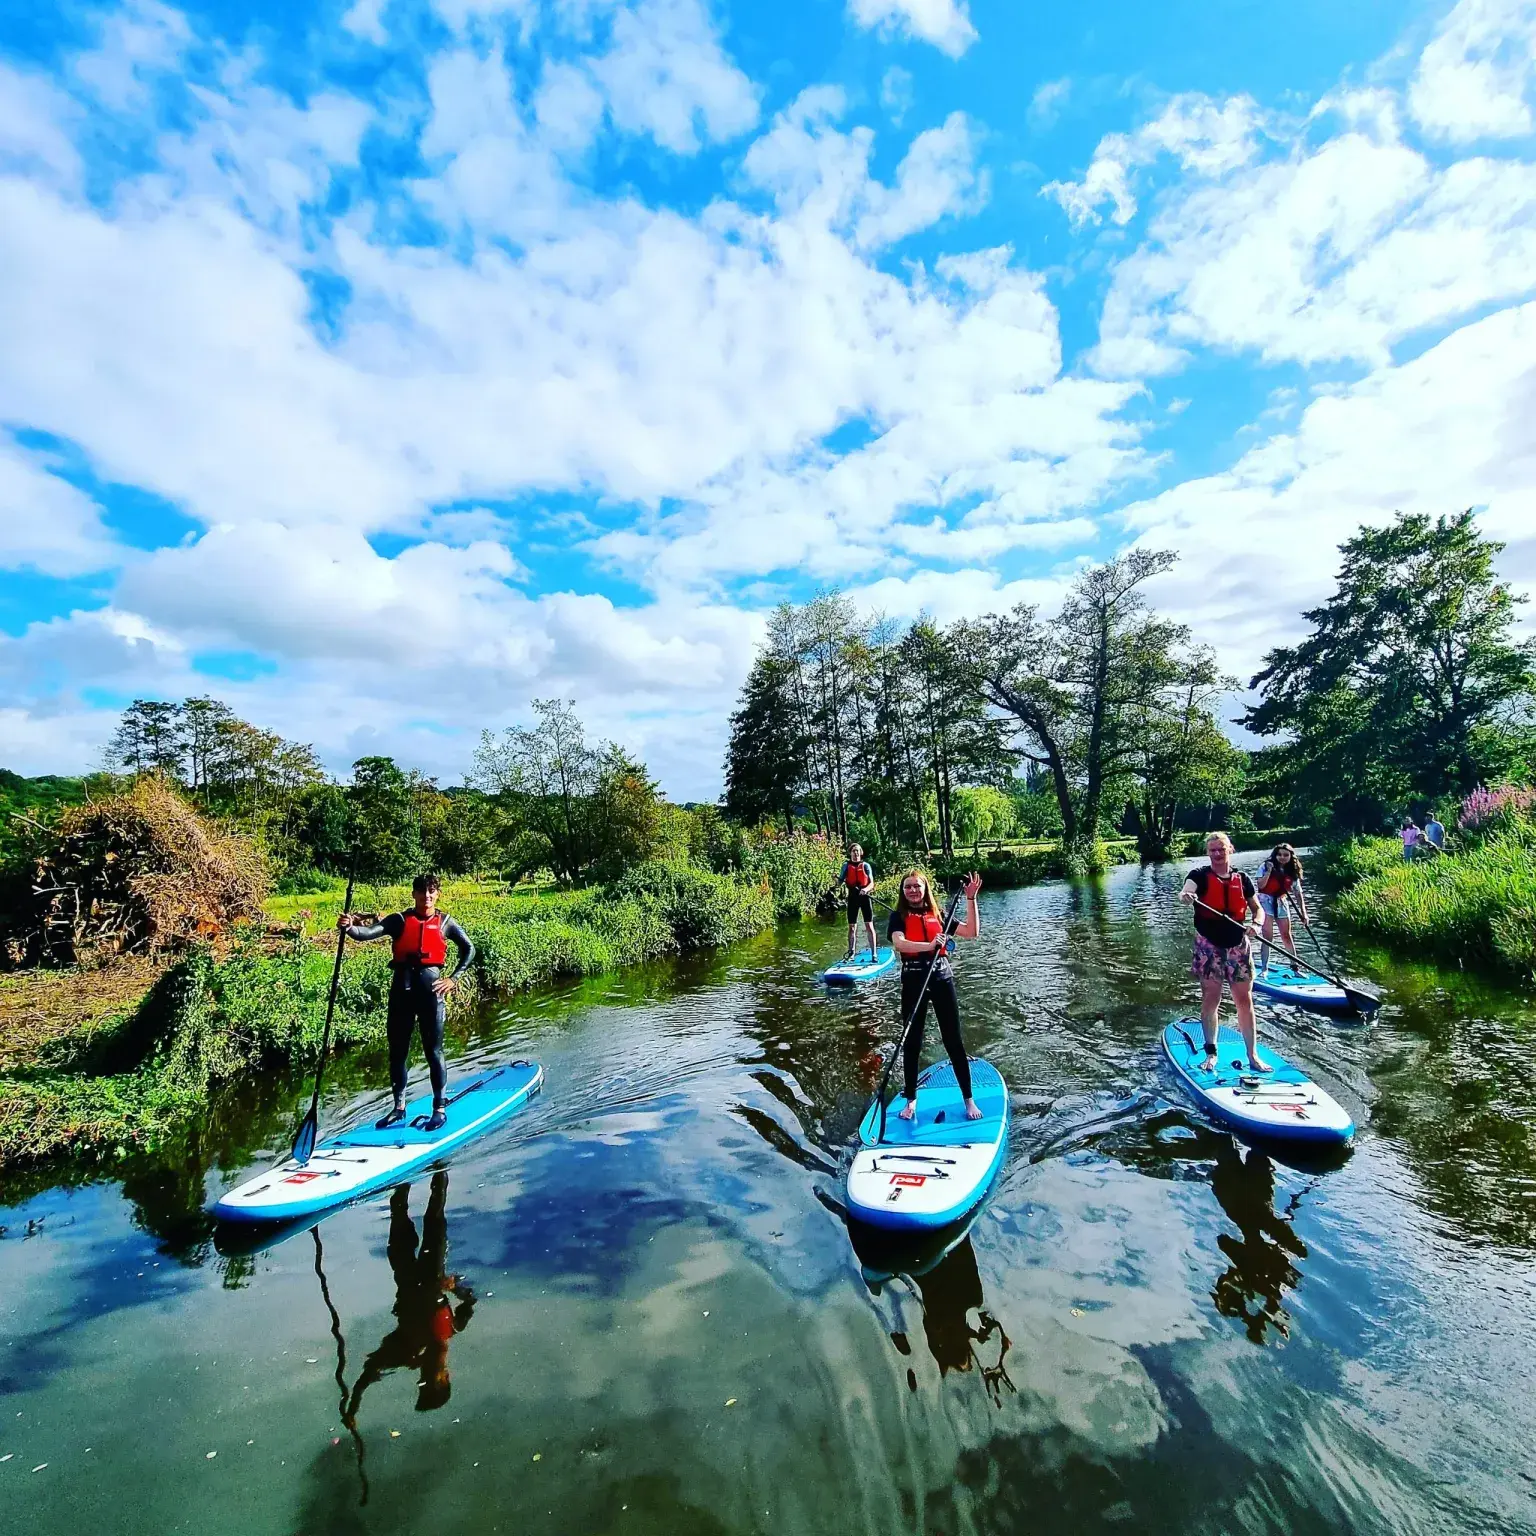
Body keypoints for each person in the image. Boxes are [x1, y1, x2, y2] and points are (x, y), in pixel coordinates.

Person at [339, 874, 475, 1131]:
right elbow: (365, 933)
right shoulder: (399, 920)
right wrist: (348, 927)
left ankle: (439, 1108)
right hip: (401, 992)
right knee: (397, 1053)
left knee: (433, 1051)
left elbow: (469, 949)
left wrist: (454, 979)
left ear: (438, 894)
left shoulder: (446, 922)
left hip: (431, 994)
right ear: (413, 894)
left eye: (432, 892)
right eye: (422, 892)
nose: (427, 896)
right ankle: (399, 1108)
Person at [344, 1171, 476, 1418]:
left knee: (399, 1213)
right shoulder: (454, 1327)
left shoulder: (407, 1350)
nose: (427, 1377)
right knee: (435, 1214)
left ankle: (402, 1175)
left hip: (405, 1276)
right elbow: (471, 1299)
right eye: (435, 1380)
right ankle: (440, 1165)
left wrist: (353, 1407)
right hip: (432, 1275)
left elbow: (368, 1371)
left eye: (424, 1383)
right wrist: (454, 1287)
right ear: (446, 1377)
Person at [887, 869, 984, 1122]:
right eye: (908, 887)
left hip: (941, 978)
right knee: (913, 1042)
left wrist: (971, 899)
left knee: (953, 1040)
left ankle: (968, 1099)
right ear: (903, 890)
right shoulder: (898, 917)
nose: (913, 891)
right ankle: (911, 1101)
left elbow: (972, 932)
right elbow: (899, 943)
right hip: (914, 979)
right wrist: (929, 945)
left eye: (917, 886)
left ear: (924, 888)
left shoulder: (939, 915)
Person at [1179, 832, 1264, 1072]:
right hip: (1209, 945)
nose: (1217, 854)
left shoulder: (1243, 878)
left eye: (1221, 849)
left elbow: (1258, 910)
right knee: (1211, 998)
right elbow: (1186, 891)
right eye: (1212, 850)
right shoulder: (1199, 876)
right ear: (1208, 852)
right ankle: (1211, 1053)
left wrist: (1256, 925)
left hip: (1238, 944)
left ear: (1230, 850)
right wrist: (1186, 896)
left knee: (1244, 1001)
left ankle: (1253, 1056)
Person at [1253, 843, 1309, 973]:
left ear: (1290, 856)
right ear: (1275, 855)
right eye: (1279, 855)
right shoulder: (1265, 866)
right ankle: (1264, 969)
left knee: (1286, 935)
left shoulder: (1293, 870)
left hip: (1281, 902)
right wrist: (1268, 871)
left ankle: (1295, 968)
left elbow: (1298, 893)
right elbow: (1260, 885)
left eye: (1286, 855)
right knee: (1268, 936)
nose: (1282, 857)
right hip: (1265, 901)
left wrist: (1304, 913)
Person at [840, 843, 879, 961]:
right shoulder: (846, 866)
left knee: (869, 925)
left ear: (861, 853)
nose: (855, 853)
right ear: (850, 853)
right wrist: (836, 881)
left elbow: (872, 883)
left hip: (865, 898)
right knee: (852, 927)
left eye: (857, 851)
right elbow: (840, 881)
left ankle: (874, 954)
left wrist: (865, 889)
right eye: (853, 851)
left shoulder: (866, 866)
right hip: (852, 898)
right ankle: (851, 953)